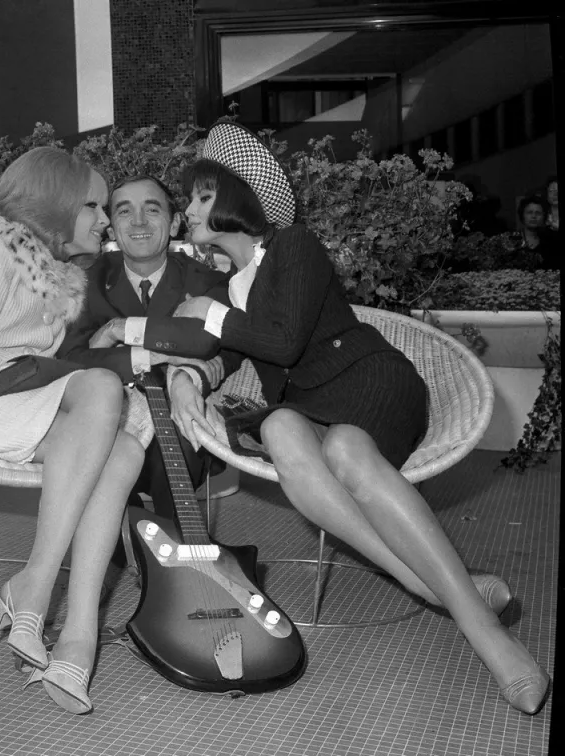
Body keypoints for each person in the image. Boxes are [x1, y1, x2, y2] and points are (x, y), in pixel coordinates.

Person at [157, 121, 549, 715]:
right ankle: (434, 585)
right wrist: (188, 377)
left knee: (343, 449)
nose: (187, 207)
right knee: (278, 427)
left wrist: (209, 314)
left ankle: (485, 635)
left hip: (371, 380)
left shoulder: (295, 246)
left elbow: (283, 341)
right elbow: (232, 355)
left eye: (201, 195)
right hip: (308, 406)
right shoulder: (231, 285)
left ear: (237, 196)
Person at [0, 147, 148, 715]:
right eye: (93, 204)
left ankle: (77, 633)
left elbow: (47, 363)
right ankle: (39, 584)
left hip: (20, 400)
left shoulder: (61, 273)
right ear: (54, 201)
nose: (104, 219)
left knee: (126, 447)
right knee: (106, 396)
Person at [57, 174, 240, 529]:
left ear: (174, 223)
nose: (138, 222)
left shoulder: (207, 281)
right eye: (124, 212)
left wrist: (118, 331)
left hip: (176, 429)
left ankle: (169, 565)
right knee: (96, 446)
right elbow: (69, 360)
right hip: (109, 423)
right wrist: (158, 356)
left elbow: (204, 341)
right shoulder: (84, 279)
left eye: (151, 209)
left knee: (177, 445)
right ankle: (103, 564)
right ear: (111, 227)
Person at [516, 195, 557, 270]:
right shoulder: (512, 240)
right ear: (522, 215)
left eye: (538, 213)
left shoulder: (551, 241)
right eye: (529, 212)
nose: (533, 216)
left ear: (544, 217)